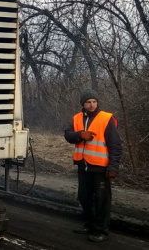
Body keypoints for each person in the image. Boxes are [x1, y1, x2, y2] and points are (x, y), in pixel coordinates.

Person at [64, 89, 123, 242]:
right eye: (88, 102)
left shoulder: (106, 118)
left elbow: (115, 145)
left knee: (102, 200)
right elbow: (67, 135)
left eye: (94, 102)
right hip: (83, 165)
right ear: (83, 104)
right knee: (84, 197)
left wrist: (113, 166)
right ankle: (89, 224)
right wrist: (79, 135)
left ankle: (101, 230)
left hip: (100, 167)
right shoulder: (77, 118)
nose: (91, 105)